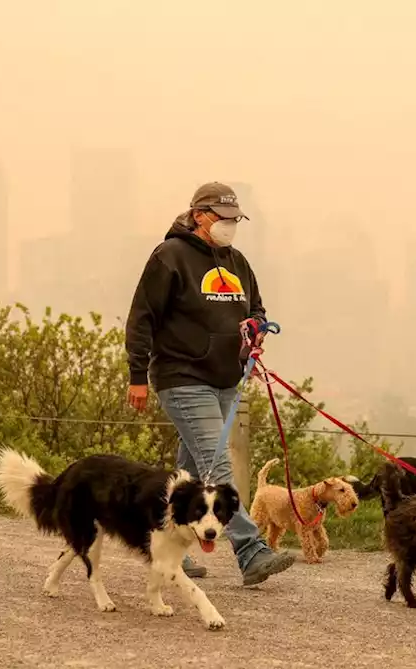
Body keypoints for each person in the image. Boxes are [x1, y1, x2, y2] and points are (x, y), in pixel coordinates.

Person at [125, 181, 296, 586]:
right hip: (182, 377)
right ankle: (251, 551)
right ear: (200, 216)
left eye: (236, 219)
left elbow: (256, 308)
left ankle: (168, 544)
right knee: (217, 466)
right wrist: (137, 375)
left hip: (225, 382)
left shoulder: (237, 262)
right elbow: (142, 317)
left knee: (189, 472)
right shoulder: (170, 257)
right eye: (224, 218)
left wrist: (255, 332)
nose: (231, 226)